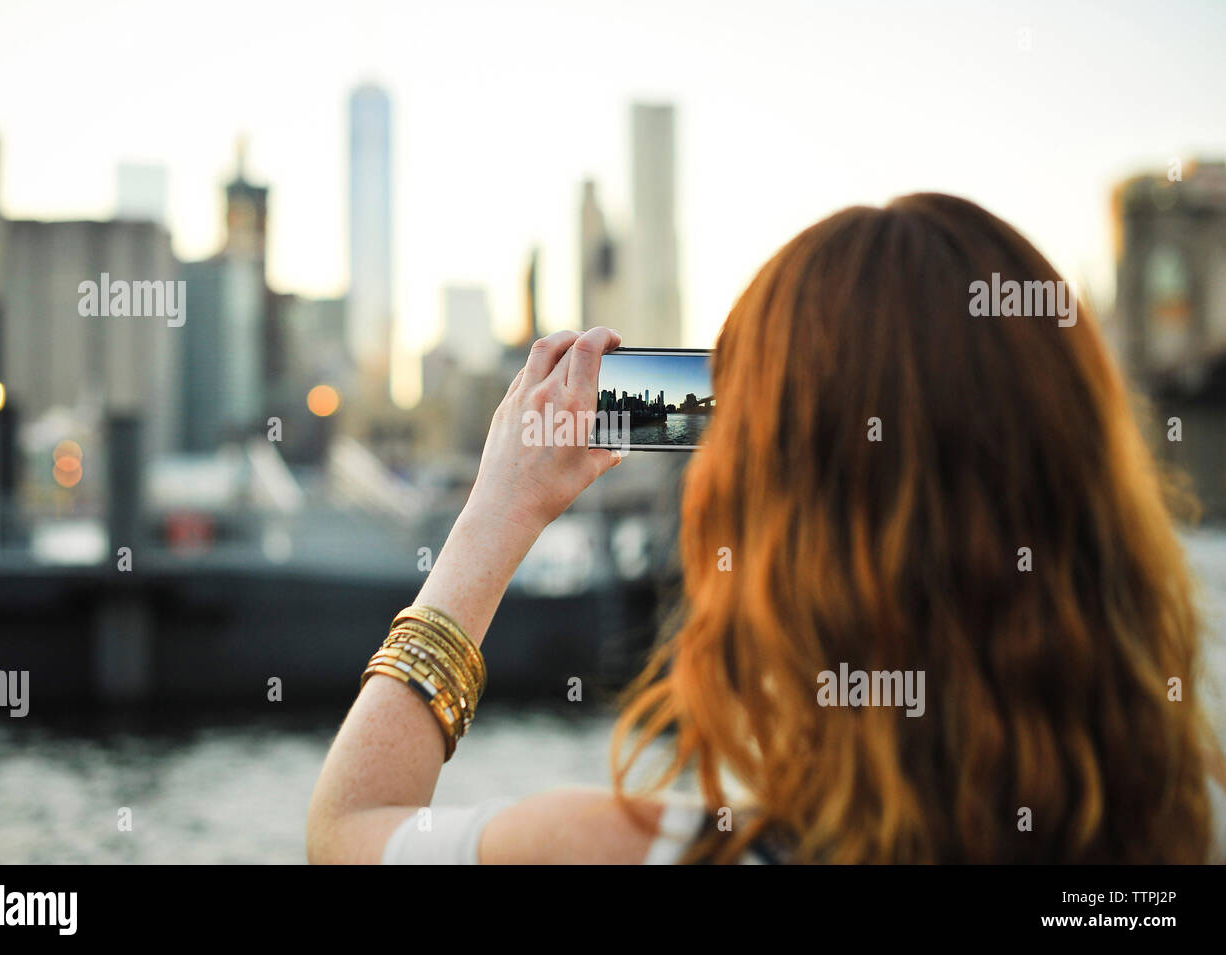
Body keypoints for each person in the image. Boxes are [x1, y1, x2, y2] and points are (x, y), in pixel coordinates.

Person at [307, 193, 1226, 864]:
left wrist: (494, 514)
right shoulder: (1180, 840)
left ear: (770, 520)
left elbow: (348, 830)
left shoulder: (644, 852)